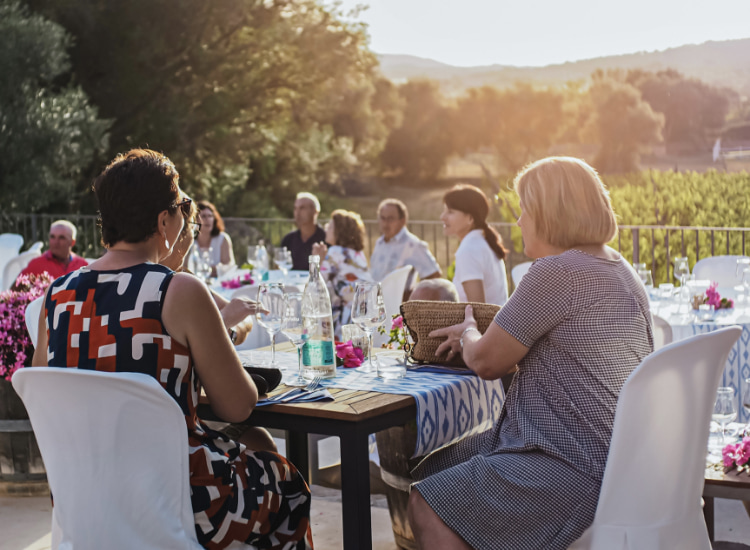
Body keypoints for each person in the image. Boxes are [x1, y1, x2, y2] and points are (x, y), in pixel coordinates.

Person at [32, 149, 313, 549]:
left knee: (254, 446)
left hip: (84, 497)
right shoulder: (176, 290)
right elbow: (237, 406)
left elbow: (49, 390)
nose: (184, 217)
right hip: (177, 498)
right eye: (182, 205)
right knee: (285, 484)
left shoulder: (57, 295)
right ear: (163, 220)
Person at [407, 157, 653, 550]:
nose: (518, 221)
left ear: (549, 213)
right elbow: (571, 350)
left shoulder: (556, 272)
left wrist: (469, 331)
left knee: (425, 502)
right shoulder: (619, 267)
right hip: (620, 458)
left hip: (571, 460)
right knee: (432, 470)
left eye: (524, 209)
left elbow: (486, 362)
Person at [162, 196, 256, 347]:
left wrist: (231, 325)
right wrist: (224, 322)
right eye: (192, 228)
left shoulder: (185, 280)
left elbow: (243, 317)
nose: (191, 237)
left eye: (210, 216)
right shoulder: (184, 284)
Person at [440, 184, 508, 305]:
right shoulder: (481, 242)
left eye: (450, 212)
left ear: (470, 218)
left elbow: (478, 308)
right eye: (444, 211)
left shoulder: (469, 249)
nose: (442, 217)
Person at [311, 209, 372, 339]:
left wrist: (316, 260)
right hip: (362, 314)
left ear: (340, 231)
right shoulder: (358, 254)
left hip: (342, 322)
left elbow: (316, 288)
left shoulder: (334, 252)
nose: (326, 228)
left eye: (330, 226)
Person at [370, 199, 441, 283]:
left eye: (390, 219)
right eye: (382, 218)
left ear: (402, 220)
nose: (385, 223)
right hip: (376, 295)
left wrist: (414, 294)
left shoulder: (413, 244)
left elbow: (433, 274)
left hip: (399, 296)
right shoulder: (379, 242)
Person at [20, 220, 88, 279]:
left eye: (61, 237)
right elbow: (14, 292)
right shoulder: (36, 264)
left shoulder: (82, 265)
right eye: (52, 237)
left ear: (72, 242)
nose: (56, 242)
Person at [281, 192, 327, 271]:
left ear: (315, 212)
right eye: (295, 208)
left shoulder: (326, 239)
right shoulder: (288, 240)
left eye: (302, 208)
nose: (297, 213)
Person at [190, 200, 235, 275]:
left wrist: (206, 269)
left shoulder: (223, 238)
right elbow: (184, 268)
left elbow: (228, 266)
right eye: (203, 216)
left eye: (210, 216)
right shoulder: (190, 240)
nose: (208, 219)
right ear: (196, 220)